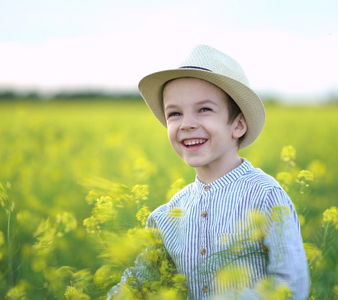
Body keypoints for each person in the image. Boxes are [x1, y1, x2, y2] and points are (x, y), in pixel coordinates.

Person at [108, 44, 310, 299]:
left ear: (237, 125)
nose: (187, 124)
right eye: (175, 113)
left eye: (204, 109)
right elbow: (142, 281)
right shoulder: (166, 217)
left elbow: (292, 285)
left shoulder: (266, 197)